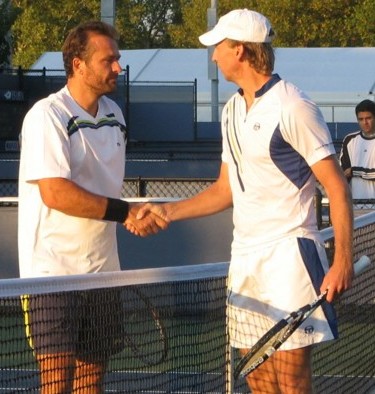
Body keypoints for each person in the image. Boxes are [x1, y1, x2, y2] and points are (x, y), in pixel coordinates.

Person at [134, 9, 353, 394]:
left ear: (240, 51)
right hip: (245, 260)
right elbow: (226, 189)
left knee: (291, 382)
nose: (213, 55)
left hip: (290, 257)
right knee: (258, 379)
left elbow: (336, 187)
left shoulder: (293, 105)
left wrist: (343, 259)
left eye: (218, 46)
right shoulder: (231, 110)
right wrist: (168, 210)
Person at [18, 21, 167, 393]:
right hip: (52, 275)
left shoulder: (115, 114)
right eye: (108, 59)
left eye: (117, 59)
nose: (117, 67)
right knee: (56, 386)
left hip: (103, 273)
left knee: (90, 385)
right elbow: (56, 193)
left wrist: (135, 212)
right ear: (78, 65)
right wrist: (125, 212)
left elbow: (104, 187)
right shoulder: (46, 116)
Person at [340, 99, 375, 200]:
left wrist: (354, 171)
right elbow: (344, 172)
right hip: (356, 204)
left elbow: (350, 171)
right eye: (361, 119)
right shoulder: (350, 140)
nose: (365, 122)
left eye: (368, 118)